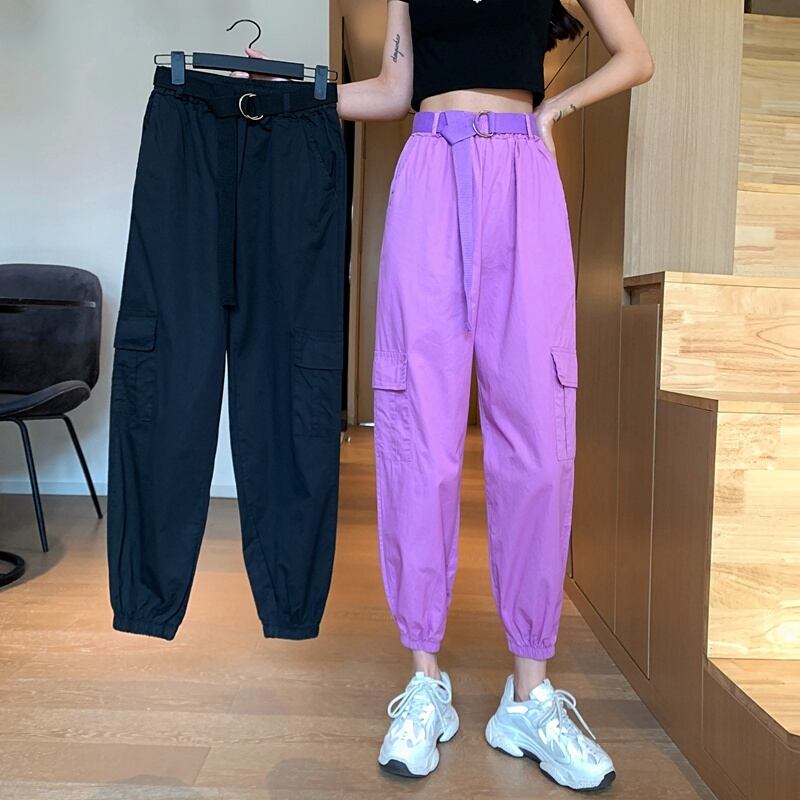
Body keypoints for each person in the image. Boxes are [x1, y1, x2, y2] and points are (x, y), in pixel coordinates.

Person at [239, 0, 653, 791]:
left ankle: (528, 697)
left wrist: (554, 109)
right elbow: (394, 90)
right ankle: (425, 680)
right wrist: (296, 92)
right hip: (429, 167)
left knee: (539, 440)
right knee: (415, 434)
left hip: (523, 174)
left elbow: (635, 54)